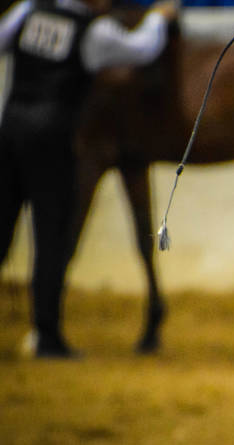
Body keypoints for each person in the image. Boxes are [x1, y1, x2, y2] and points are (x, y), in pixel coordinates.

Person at [0, 0, 175, 357]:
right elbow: (142, 49)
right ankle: (46, 335)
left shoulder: (29, 10)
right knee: (51, 238)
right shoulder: (94, 31)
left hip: (10, 130)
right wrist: (159, 18)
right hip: (52, 139)